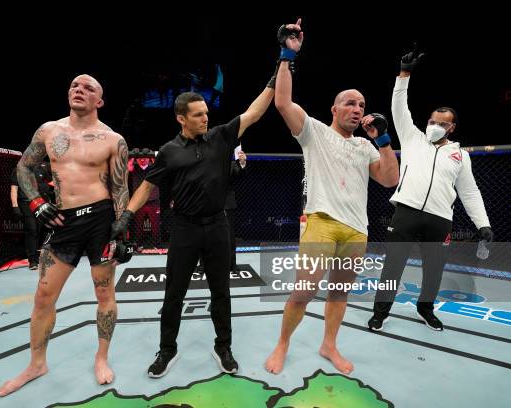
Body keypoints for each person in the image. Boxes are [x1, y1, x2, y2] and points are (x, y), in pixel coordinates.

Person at [111, 82, 275, 378]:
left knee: (221, 291)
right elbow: (147, 185)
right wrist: (125, 217)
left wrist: (281, 68)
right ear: (181, 119)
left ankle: (223, 347)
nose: (205, 118)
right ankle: (167, 349)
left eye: (206, 113)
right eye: (198, 115)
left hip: (217, 226)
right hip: (185, 228)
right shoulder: (169, 151)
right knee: (174, 293)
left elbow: (254, 113)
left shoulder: (221, 137)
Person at [264, 19, 399, 375]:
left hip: (357, 229)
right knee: (304, 291)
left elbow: (389, 179)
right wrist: (286, 55)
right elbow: (282, 102)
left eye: (362, 104)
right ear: (334, 110)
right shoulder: (315, 132)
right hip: (321, 221)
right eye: (350, 103)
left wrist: (384, 140)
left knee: (339, 293)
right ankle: (282, 344)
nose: (357, 108)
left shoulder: (367, 147)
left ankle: (329, 345)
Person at [0, 74, 129, 397]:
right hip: (62, 221)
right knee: (43, 297)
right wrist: (38, 202)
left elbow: (120, 187)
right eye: (74, 86)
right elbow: (24, 167)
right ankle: (36, 363)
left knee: (104, 295)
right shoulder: (48, 131)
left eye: (88, 88)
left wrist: (122, 231)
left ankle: (101, 358)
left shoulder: (113, 140)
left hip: (100, 220)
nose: (79, 90)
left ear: (100, 101)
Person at [368, 45, 493, 332]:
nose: (434, 125)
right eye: (432, 121)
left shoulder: (460, 155)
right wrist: (404, 74)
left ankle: (426, 310)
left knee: (434, 270)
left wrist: (482, 223)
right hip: (406, 212)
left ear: (452, 128)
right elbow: (399, 107)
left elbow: (470, 192)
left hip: (439, 219)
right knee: (393, 267)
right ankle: (380, 312)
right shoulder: (412, 138)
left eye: (442, 123)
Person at [10, 162, 54, 270]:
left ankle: (38, 256)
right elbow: (14, 189)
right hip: (25, 202)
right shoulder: (18, 170)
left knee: (40, 229)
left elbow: (51, 182)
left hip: (40, 202)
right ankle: (32, 260)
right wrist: (15, 206)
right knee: (31, 229)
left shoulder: (42, 168)